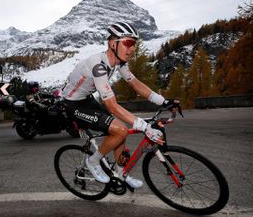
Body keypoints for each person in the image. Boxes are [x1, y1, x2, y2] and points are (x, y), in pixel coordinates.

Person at [62, 21, 175, 189]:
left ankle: (122, 173)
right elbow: (112, 106)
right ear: (112, 43)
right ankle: (93, 161)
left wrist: (163, 101)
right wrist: (144, 126)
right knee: (120, 129)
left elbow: (135, 84)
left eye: (134, 44)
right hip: (72, 104)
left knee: (120, 129)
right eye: (128, 43)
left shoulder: (119, 62)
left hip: (86, 99)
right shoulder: (98, 66)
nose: (132, 49)